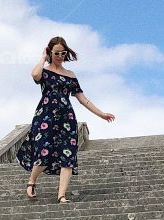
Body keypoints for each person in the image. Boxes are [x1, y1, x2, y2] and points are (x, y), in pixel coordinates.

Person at [18, 37, 115, 203]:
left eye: (63, 53)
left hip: (67, 118)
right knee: (44, 152)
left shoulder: (70, 75)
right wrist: (43, 58)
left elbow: (83, 99)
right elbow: (35, 75)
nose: (60, 56)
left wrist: (101, 114)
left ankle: (61, 195)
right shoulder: (45, 72)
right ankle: (32, 181)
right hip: (45, 117)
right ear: (50, 52)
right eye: (57, 53)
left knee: (68, 156)